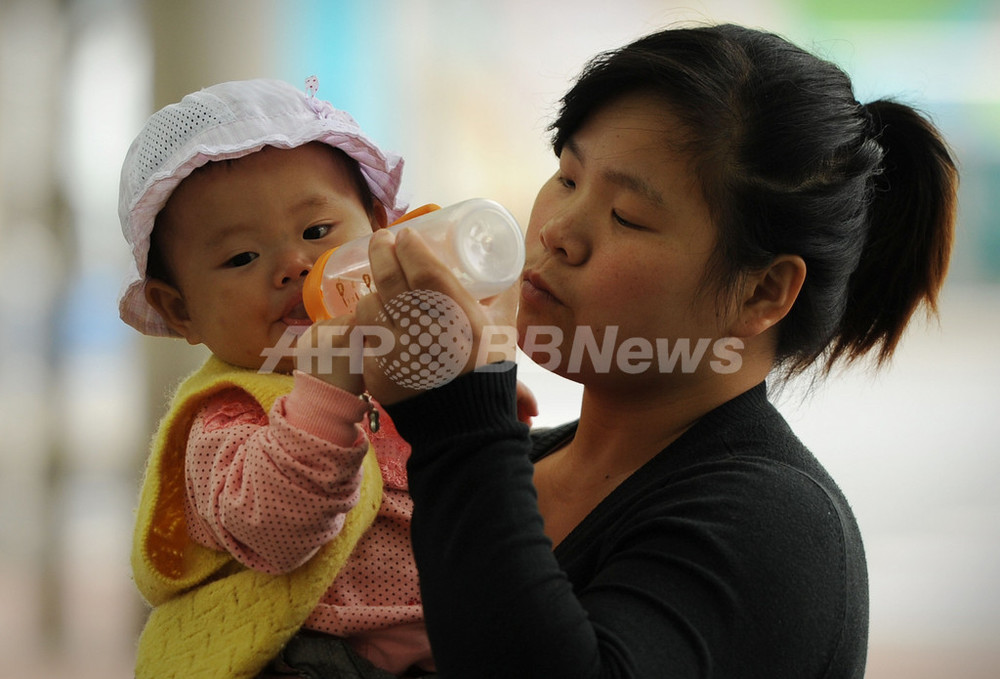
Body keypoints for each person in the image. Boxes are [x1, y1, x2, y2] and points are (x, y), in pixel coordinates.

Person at [350, 24, 957, 678]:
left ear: (763, 291)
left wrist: (462, 420)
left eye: (628, 216)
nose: (558, 231)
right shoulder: (514, 463)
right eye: (568, 176)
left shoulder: (781, 526)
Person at [118, 78, 440, 679]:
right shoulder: (225, 417)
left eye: (318, 232)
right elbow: (276, 531)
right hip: (317, 658)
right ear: (180, 308)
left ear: (377, 227)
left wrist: (477, 402)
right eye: (242, 257)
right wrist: (324, 397)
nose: (295, 266)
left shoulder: (403, 361)